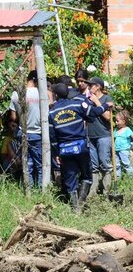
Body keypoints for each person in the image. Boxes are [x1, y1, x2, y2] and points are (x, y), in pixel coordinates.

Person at [49, 82, 110, 211]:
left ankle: (75, 207)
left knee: (70, 178)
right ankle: (81, 202)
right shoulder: (76, 104)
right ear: (68, 93)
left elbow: (53, 137)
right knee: (87, 176)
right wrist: (105, 105)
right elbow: (93, 113)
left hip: (65, 150)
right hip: (81, 147)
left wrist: (56, 154)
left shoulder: (52, 112)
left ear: (55, 95)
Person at [8, 72, 43, 187]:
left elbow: (13, 117)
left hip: (23, 133)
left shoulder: (15, 93)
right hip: (37, 133)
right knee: (40, 164)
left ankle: (29, 188)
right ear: (36, 80)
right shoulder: (41, 93)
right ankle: (42, 188)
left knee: (27, 163)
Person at [87, 77, 114, 194]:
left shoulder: (106, 98)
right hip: (90, 136)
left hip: (103, 135)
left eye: (91, 85)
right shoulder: (88, 99)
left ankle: (106, 191)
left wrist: (97, 102)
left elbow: (108, 117)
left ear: (98, 86)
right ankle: (93, 192)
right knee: (93, 165)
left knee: (104, 163)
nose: (89, 87)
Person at [115, 110, 133, 177]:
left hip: (124, 150)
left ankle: (130, 177)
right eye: (115, 121)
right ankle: (118, 177)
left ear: (124, 121)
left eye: (117, 121)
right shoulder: (116, 130)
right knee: (116, 165)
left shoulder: (127, 129)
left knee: (126, 164)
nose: (116, 122)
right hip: (116, 150)